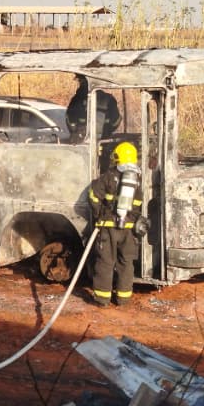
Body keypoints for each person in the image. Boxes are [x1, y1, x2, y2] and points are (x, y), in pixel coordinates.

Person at [88, 141, 145, 307]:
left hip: (109, 228)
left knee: (105, 262)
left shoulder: (108, 176)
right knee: (126, 263)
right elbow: (139, 203)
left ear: (117, 158)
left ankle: (102, 299)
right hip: (130, 230)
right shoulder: (138, 180)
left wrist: (100, 215)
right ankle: (123, 298)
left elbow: (93, 196)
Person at [65, 76, 120, 144]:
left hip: (81, 143)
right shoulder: (109, 99)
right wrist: (106, 132)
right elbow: (116, 122)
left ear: (84, 82)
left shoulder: (77, 99)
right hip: (104, 142)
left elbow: (69, 120)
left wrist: (77, 133)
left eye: (80, 81)